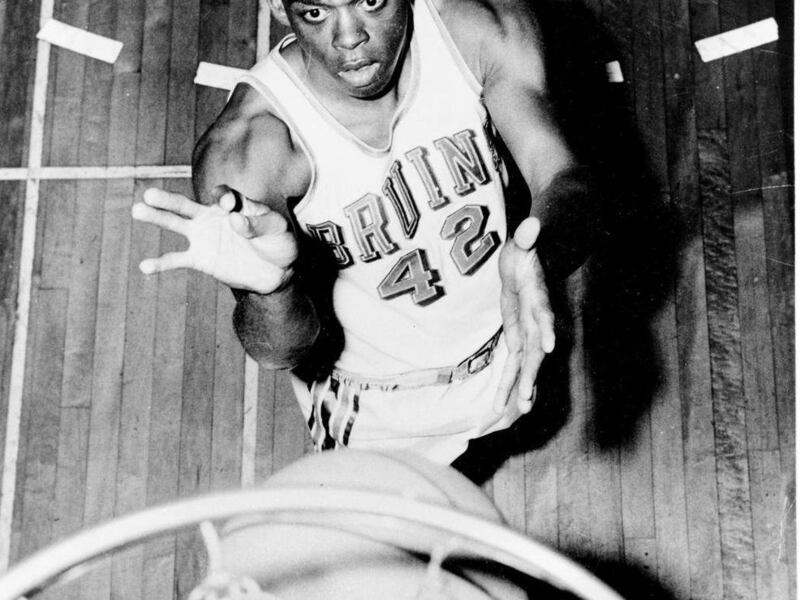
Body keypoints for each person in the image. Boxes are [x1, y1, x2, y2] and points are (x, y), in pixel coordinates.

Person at [131, 0, 596, 464]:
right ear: (277, 4)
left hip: (508, 345)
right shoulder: (249, 148)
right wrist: (271, 291)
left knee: (494, 454)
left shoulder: (481, 30)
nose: (349, 37)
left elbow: (563, 177)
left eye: (371, 2)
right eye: (316, 12)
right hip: (379, 411)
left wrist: (541, 251)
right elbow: (282, 350)